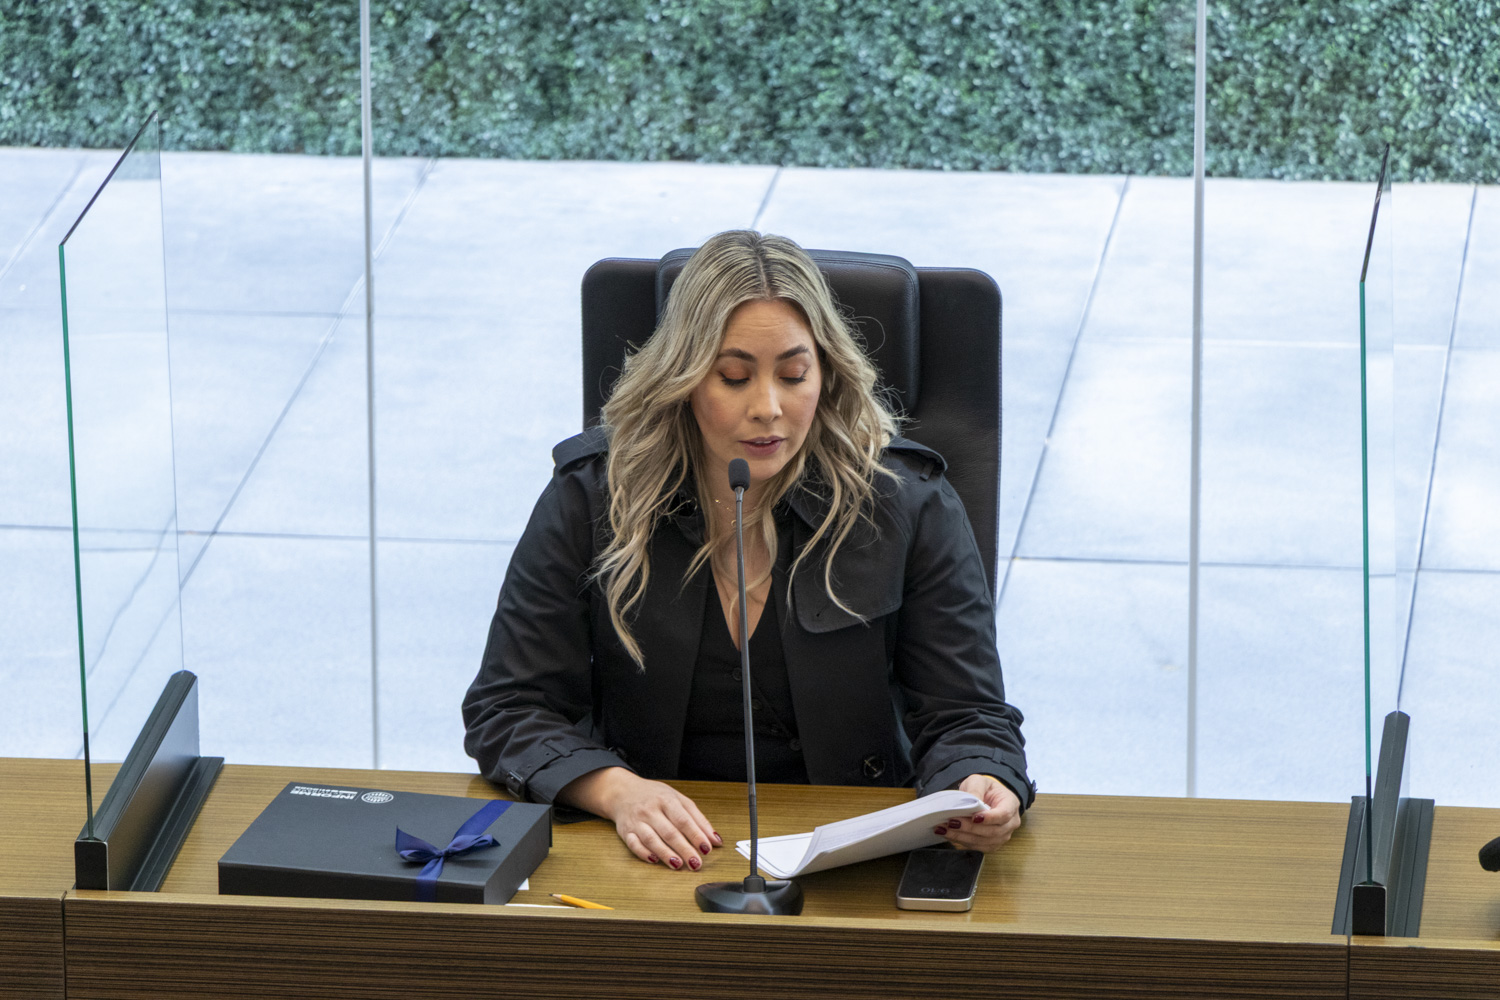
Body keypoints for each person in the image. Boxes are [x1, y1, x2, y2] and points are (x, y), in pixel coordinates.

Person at [463, 230, 1033, 874]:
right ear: (681, 379)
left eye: (794, 375)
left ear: (826, 372)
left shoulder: (908, 501)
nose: (768, 408)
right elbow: (508, 707)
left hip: (856, 857)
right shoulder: (593, 496)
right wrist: (616, 791)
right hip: (654, 853)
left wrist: (983, 779)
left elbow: (967, 714)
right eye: (733, 377)